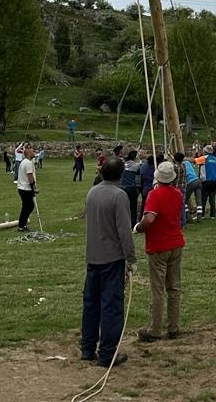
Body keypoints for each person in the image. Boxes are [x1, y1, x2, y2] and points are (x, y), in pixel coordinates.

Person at [80, 157, 135, 367]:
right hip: (112, 259)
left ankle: (87, 348)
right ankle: (107, 354)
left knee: (91, 304)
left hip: (93, 256)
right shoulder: (119, 196)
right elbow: (124, 231)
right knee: (111, 307)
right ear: (121, 175)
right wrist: (131, 258)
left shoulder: (92, 191)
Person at [135, 161, 186, 342]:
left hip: (158, 246)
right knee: (174, 287)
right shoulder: (178, 194)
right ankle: (173, 326)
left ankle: (155, 329)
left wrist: (139, 227)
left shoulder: (154, 195)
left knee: (158, 289)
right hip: (176, 243)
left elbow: (149, 218)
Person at [16, 143, 38, 231]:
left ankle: (22, 224)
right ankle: (21, 225)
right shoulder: (28, 163)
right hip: (26, 188)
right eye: (32, 151)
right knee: (28, 206)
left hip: (22, 187)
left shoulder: (24, 162)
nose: (34, 152)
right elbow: (30, 176)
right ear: (28, 153)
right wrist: (34, 187)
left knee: (28, 206)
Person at [120, 150, 141, 226]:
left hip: (122, 187)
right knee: (133, 207)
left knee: (123, 207)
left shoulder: (123, 164)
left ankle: (123, 222)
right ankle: (133, 224)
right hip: (131, 188)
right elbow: (138, 176)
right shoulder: (137, 165)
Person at [200, 146, 216, 219]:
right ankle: (213, 215)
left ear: (205, 151)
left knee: (204, 198)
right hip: (215, 181)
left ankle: (202, 214)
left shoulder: (204, 158)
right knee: (212, 198)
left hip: (206, 181)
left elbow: (193, 160)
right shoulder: (215, 159)